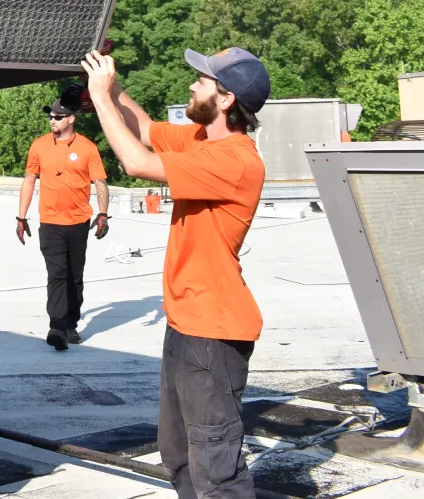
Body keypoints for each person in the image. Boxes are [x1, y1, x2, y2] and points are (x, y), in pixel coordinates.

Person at [80, 46, 270, 499]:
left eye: (202, 81)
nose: (192, 85)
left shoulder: (236, 159)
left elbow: (137, 162)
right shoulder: (205, 141)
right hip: (188, 322)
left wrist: (102, 98)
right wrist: (113, 82)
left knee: (215, 466)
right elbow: (144, 131)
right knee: (178, 452)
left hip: (214, 330)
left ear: (225, 100)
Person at [15, 84, 110, 351]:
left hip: (79, 221)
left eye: (57, 116)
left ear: (71, 119)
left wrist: (102, 214)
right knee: (56, 273)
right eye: (50, 116)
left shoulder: (88, 148)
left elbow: (100, 182)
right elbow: (29, 179)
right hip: (50, 221)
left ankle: (71, 325)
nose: (52, 120)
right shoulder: (39, 145)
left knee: (75, 276)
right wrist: (21, 218)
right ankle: (56, 326)